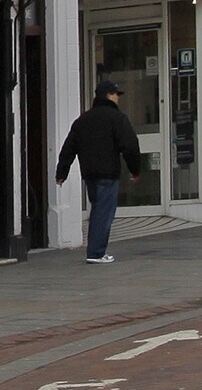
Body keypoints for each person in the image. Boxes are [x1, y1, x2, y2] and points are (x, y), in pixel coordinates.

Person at [55, 78, 145, 264]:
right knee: (103, 213)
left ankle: (96, 251)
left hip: (89, 174)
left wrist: (61, 173)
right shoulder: (117, 118)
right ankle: (96, 253)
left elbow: (69, 148)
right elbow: (130, 145)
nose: (118, 98)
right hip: (108, 174)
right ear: (110, 95)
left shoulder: (83, 120)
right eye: (116, 95)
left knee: (97, 209)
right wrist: (135, 170)